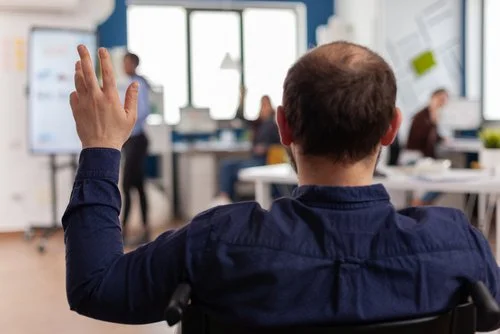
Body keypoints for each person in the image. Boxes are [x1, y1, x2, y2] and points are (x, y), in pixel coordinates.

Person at [63, 43, 500, 328]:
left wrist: (101, 148)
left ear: (284, 127)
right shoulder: (457, 246)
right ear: (391, 129)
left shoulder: (217, 242)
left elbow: (96, 286)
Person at [212, 94, 280, 204]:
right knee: (226, 165)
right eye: (262, 105)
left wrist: (266, 148)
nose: (264, 108)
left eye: (266, 105)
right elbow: (239, 117)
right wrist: (242, 99)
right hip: (254, 159)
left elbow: (280, 144)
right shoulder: (257, 124)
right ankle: (226, 198)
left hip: (265, 161)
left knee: (230, 169)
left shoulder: (273, 124)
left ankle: (226, 198)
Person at [121, 52, 151, 242]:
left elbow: (143, 111)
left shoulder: (139, 84)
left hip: (138, 139)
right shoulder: (127, 82)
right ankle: (144, 229)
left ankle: (124, 230)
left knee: (126, 185)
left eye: (127, 62)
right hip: (130, 140)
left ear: (134, 64)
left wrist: (126, 119)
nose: (124, 65)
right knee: (138, 186)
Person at [407, 88, 449, 206]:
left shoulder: (431, 116)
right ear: (433, 98)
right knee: (438, 183)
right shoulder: (422, 116)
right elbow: (422, 137)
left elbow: (433, 137)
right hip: (415, 158)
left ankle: (422, 204)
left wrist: (442, 138)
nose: (442, 103)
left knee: (442, 182)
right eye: (440, 99)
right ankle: (419, 203)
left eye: (444, 100)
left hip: (424, 159)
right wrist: (434, 121)